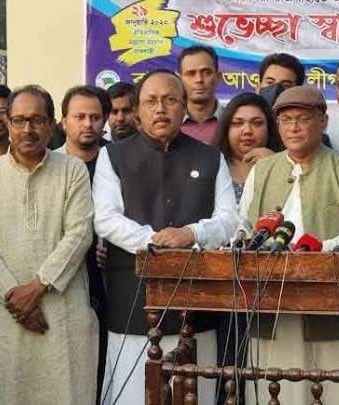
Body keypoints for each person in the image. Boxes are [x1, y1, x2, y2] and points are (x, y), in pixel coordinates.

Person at [92, 69, 237, 405]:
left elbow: (230, 220)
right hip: (134, 302)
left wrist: (191, 234)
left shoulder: (210, 157)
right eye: (151, 101)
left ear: (184, 107)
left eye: (170, 100)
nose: (160, 109)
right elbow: (106, 218)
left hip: (197, 305)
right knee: (134, 393)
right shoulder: (113, 156)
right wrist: (154, 240)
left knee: (195, 394)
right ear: (138, 110)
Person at [238, 85, 339, 404]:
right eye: (286, 121)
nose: (294, 128)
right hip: (268, 301)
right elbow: (242, 226)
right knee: (274, 387)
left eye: (302, 119)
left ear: (323, 121)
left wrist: (316, 249)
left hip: (325, 304)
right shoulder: (262, 170)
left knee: (326, 388)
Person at [0, 85, 98, 404]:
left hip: (61, 312)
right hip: (6, 315)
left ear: (52, 124)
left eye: (37, 120)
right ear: (8, 124)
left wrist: (38, 287)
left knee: (66, 391)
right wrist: (16, 299)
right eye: (19, 120)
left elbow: (79, 234)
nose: (27, 129)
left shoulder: (72, 170)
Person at [56, 84, 111, 403]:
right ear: (64, 121)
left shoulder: (117, 161)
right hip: (64, 281)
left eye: (95, 117)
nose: (87, 124)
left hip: (109, 282)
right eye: (79, 117)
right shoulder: (50, 163)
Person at [215, 92, 283, 201]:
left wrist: (276, 166)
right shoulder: (212, 164)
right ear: (226, 129)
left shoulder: (287, 164)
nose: (247, 131)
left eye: (256, 123)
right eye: (237, 123)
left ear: (269, 128)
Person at [179, 45, 222, 145]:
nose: (199, 80)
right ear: (179, 79)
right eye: (191, 74)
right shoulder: (169, 124)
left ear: (218, 77)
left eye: (206, 73)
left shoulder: (233, 121)